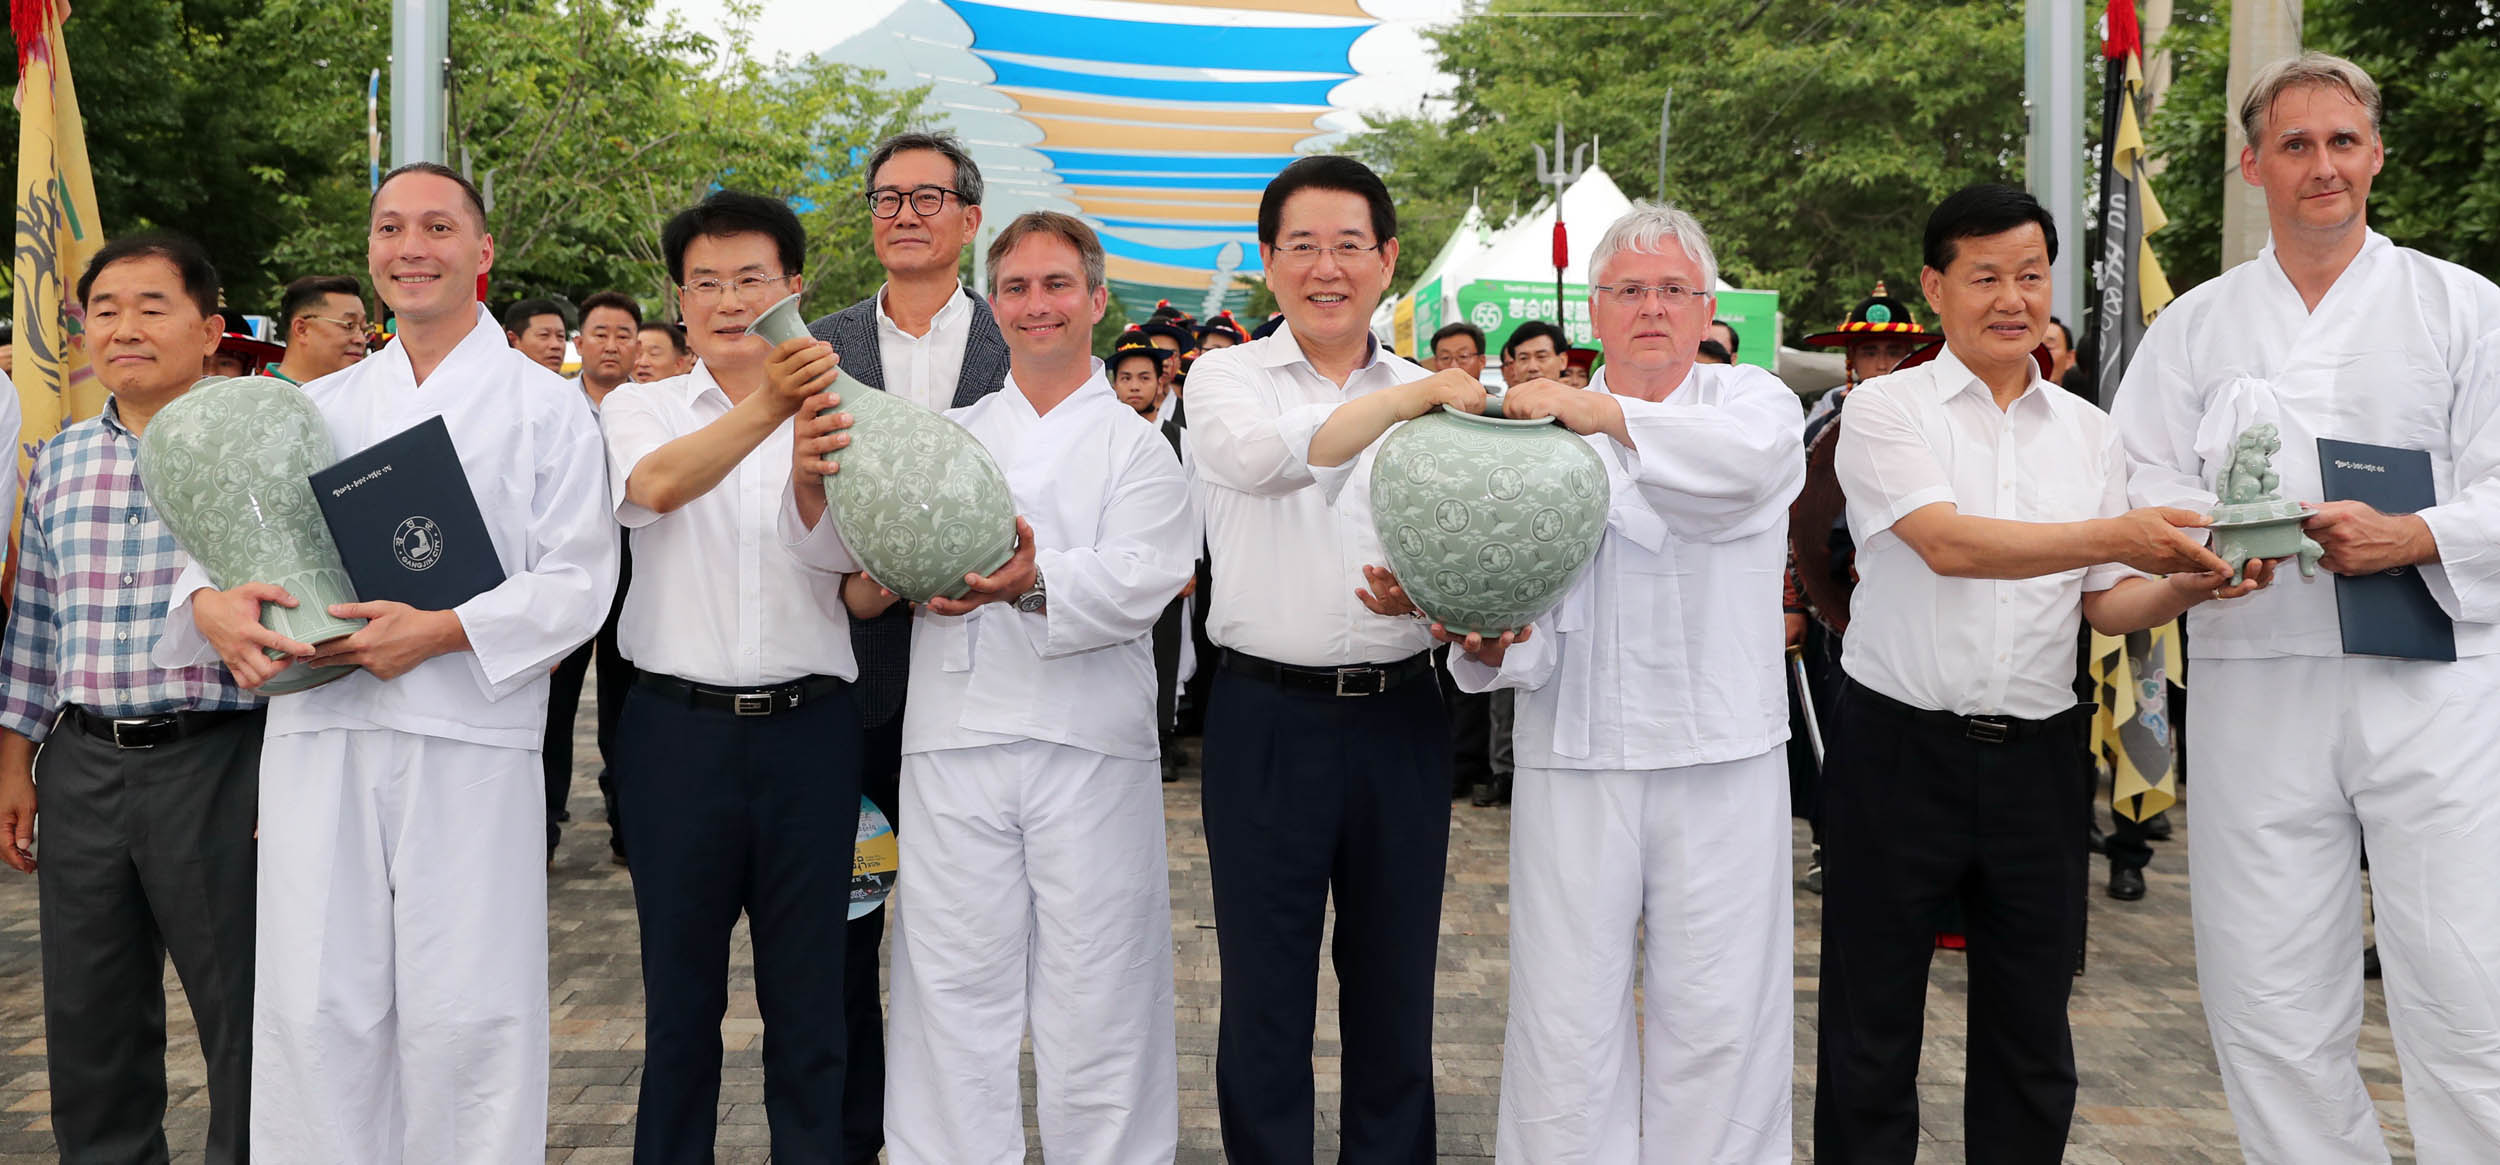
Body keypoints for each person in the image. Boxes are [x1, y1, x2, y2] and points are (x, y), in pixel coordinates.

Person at [161, 162, 617, 1165]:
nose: (413, 247)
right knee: (314, 1007)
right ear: (371, 253)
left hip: (468, 734)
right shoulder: (314, 405)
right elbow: (220, 548)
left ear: (482, 252)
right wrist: (212, 606)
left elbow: (581, 582)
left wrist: (445, 627)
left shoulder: (548, 409)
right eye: (391, 228)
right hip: (321, 730)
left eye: (438, 227)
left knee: (469, 1012)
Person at [2110, 53, 2500, 1163]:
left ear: (2374, 153)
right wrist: (2201, 558)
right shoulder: (2194, 326)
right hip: (2256, 669)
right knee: (2267, 993)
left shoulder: (2463, 310)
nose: (2319, 165)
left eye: (2340, 141)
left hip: (2432, 682)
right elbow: (2137, 492)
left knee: (2466, 986)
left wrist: (2414, 534)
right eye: (2294, 145)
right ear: (2252, 166)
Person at [1814, 183, 2244, 1162]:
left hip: (2038, 764)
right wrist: (2121, 533)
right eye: (1985, 277)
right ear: (1935, 287)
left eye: (2030, 276)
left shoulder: (2089, 433)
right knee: (1869, 1032)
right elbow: (1947, 543)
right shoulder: (1884, 410)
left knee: (2030, 1039)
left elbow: (2103, 601)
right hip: (1896, 753)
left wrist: (2187, 582)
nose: (2011, 299)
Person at [1379, 203, 1807, 1161]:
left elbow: (1738, 477)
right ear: (1596, 311)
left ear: (1706, 309)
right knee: (1563, 1016)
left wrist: (1601, 414)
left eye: (1672, 290)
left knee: (1721, 1013)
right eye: (1628, 290)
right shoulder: (1535, 429)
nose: (1651, 307)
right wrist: (1484, 637)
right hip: (1575, 746)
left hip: (1722, 753)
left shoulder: (1754, 405)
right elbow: (1527, 610)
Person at [802, 210, 1193, 1164]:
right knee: (949, 986)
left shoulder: (1138, 446)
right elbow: (865, 565)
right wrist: (897, 569)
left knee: (1100, 985)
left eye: (1058, 285)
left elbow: (1148, 573)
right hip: (955, 740)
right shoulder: (950, 437)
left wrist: (1036, 580)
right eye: (1015, 287)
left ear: (1098, 301)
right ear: (995, 306)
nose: (1037, 305)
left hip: (1088, 745)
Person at [1184, 154, 1475, 1162]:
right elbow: (1261, 462)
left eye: (1348, 244)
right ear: (1269, 263)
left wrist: (1442, 602)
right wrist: (1402, 404)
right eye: (1301, 245)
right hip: (1265, 719)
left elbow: (1464, 544)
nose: (1325, 267)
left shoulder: (1438, 397)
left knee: (1394, 981)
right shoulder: (1225, 376)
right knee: (1265, 989)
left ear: (1387, 258)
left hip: (1401, 713)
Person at [594, 190, 866, 1163]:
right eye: (704, 282)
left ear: (794, 287)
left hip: (813, 736)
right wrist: (771, 405)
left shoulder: (849, 411)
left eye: (751, 279)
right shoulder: (641, 404)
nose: (727, 299)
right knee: (678, 1006)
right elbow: (657, 488)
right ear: (679, 297)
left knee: (812, 1002)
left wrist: (813, 473)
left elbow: (859, 578)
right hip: (677, 737)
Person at [0, 233, 261, 1165]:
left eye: (153, 306)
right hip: (83, 768)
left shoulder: (255, 451)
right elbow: (35, 623)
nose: (126, 327)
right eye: (105, 309)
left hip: (220, 763)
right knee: (88, 1018)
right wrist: (16, 764)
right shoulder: (60, 461)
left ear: (209, 328)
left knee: (245, 1015)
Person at [800, 128, 1011, 1165]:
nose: (906, 215)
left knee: (971, 938)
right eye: (886, 200)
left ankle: (958, 1137)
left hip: (997, 689)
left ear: (971, 219)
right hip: (860, 684)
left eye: (929, 198)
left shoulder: (1025, 338)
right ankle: (854, 1138)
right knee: (846, 921)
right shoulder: (820, 351)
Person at [1788, 284, 1946, 894]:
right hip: (1839, 609)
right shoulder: (1820, 424)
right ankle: (1834, 842)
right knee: (1838, 724)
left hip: (1917, 601)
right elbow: (1791, 519)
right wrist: (1794, 601)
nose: (1881, 364)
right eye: (1870, 353)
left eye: (1891, 354)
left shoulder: (1934, 422)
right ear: (1850, 360)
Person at [543, 289, 644, 863]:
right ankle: (541, 831)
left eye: (623, 335)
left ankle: (630, 831)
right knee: (554, 709)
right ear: (580, 343)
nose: (611, 345)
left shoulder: (657, 408)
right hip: (566, 572)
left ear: (637, 345)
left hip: (634, 574)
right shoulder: (550, 406)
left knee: (625, 710)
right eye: (600, 334)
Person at [269, 274, 370, 386]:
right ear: (301, 330)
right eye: (349, 325)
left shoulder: (364, 396)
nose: (361, 340)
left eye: (364, 329)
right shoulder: (257, 398)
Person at [503, 296, 570, 373]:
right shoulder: (494, 383)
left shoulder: (570, 385)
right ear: (514, 340)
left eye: (560, 336)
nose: (556, 345)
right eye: (544, 335)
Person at [1503, 318, 1570, 385]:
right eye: (1523, 358)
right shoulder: (1508, 395)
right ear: (1514, 366)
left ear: (1562, 361)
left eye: (1541, 356)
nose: (1532, 367)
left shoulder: (1577, 395)